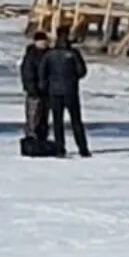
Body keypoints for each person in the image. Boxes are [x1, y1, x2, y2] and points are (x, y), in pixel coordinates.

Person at [40, 26, 91, 158]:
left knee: (57, 121)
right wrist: (72, 78)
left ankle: (60, 148)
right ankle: (83, 148)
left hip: (54, 92)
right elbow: (82, 72)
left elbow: (42, 73)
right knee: (76, 121)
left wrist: (46, 86)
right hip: (70, 91)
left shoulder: (49, 54)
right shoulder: (73, 53)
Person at [20, 31, 51, 147]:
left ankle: (43, 138)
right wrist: (31, 88)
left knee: (44, 116)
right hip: (34, 91)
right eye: (41, 41)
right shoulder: (31, 55)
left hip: (46, 91)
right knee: (33, 116)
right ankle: (31, 138)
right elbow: (27, 73)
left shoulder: (49, 54)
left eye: (45, 41)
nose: (43, 44)